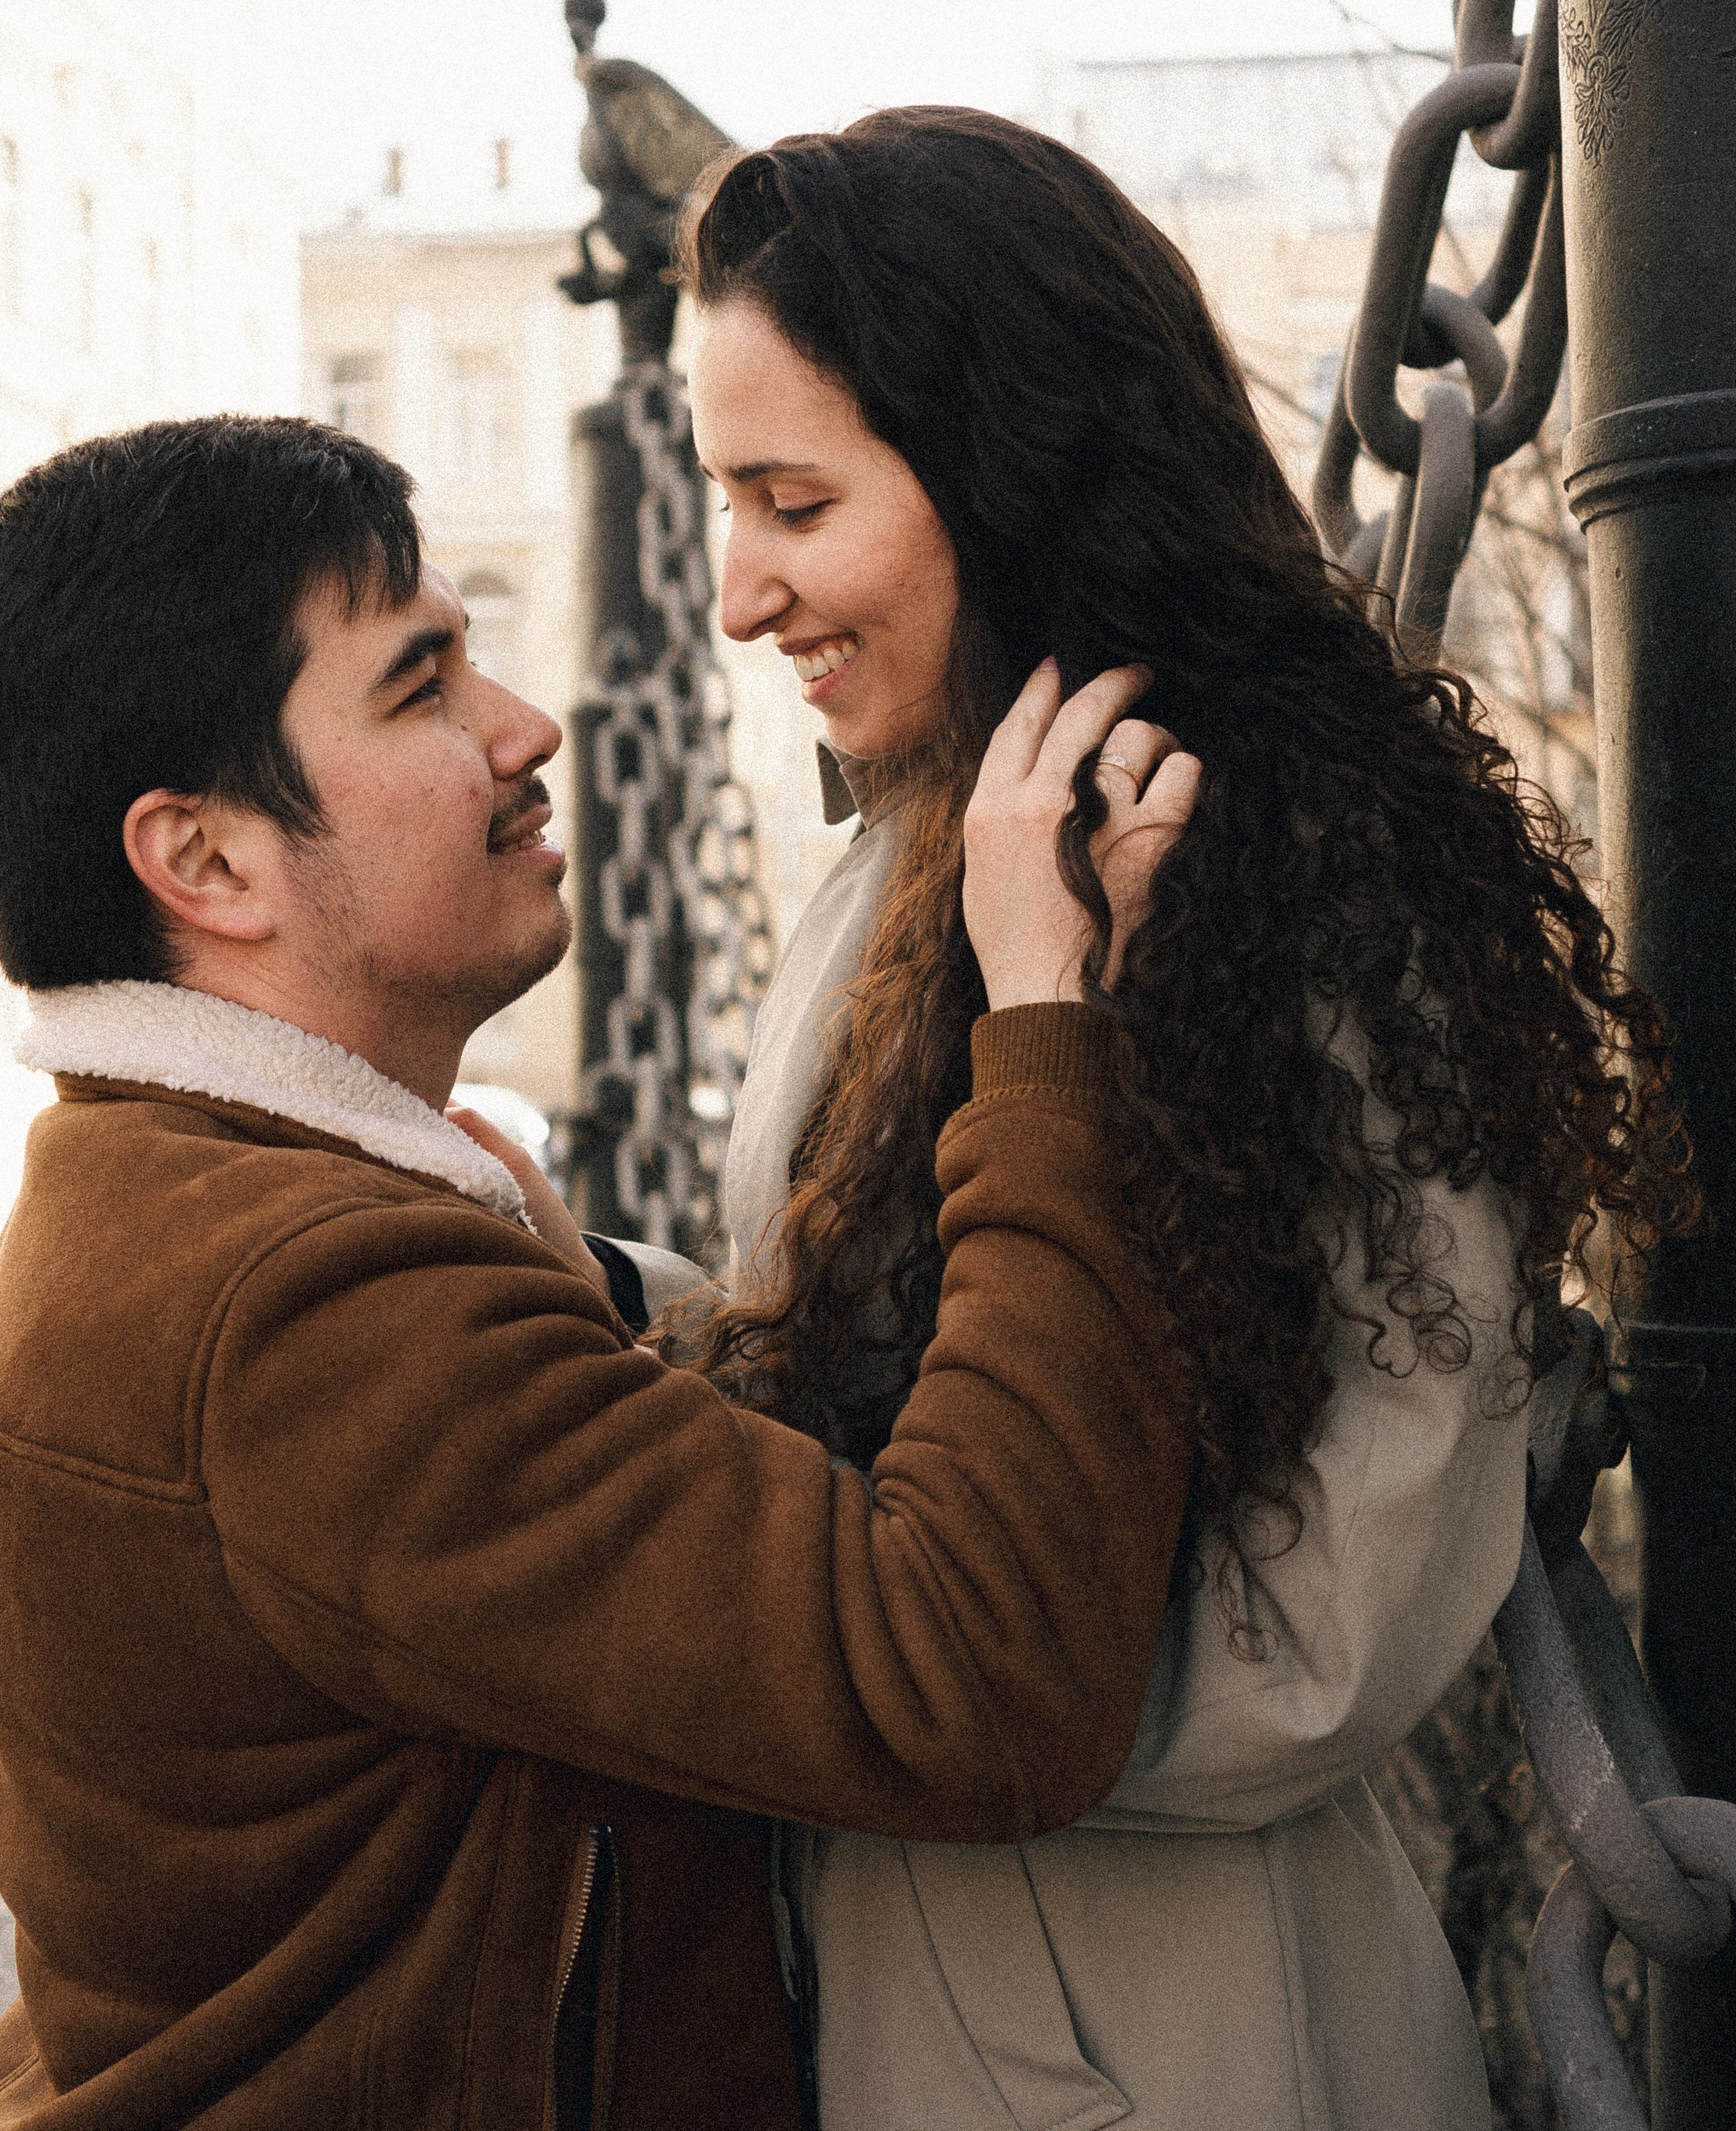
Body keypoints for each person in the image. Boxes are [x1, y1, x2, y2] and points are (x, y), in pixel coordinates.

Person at [0, 413, 1204, 2130]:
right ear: (204, 860)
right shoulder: (303, 1306)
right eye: (421, 691)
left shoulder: (163, 1194)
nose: (523, 728)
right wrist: (1048, 1030)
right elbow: (977, 1684)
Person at [675, 106, 1688, 2131]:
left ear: (1003, 469)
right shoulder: (921, 864)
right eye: (722, 504)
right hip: (909, 1971)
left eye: (793, 502)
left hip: (1172, 2035)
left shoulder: (1293, 888)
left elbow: (1336, 1633)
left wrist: (854, 1661)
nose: (736, 593)